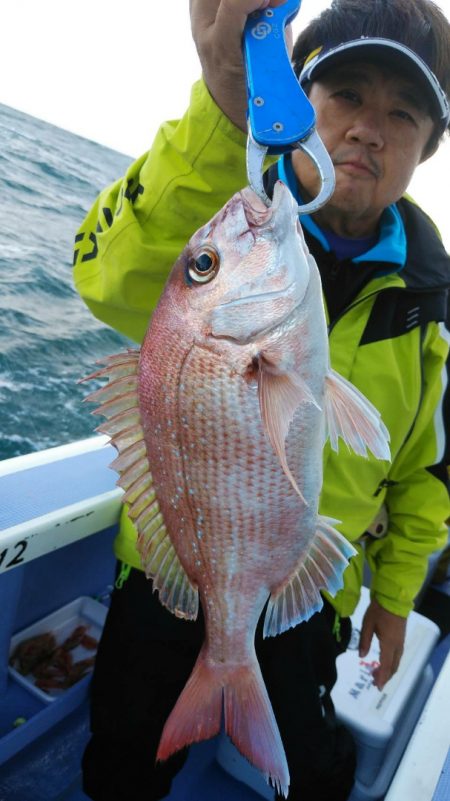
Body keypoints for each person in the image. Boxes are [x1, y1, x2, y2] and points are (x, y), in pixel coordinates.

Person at [73, 1, 450, 799]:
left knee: (316, 769)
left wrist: (394, 596)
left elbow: (426, 471)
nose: (367, 130)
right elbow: (108, 279)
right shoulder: (240, 217)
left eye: (402, 112)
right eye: (345, 94)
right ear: (298, 104)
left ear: (429, 146)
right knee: (125, 758)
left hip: (317, 589)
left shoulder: (430, 310)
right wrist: (222, 102)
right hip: (170, 563)